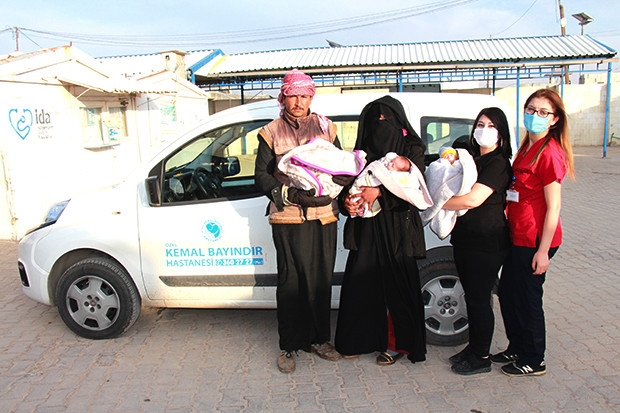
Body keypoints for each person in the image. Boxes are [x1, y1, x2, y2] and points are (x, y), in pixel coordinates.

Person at [254, 69, 343, 374]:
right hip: (288, 218)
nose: (299, 102)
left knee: (320, 280)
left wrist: (339, 183)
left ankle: (319, 340)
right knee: (290, 282)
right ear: (284, 96)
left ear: (311, 97)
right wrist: (291, 194)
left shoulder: (326, 128)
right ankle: (288, 345)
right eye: (293, 95)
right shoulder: (270, 132)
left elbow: (341, 164)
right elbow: (261, 177)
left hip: (323, 216)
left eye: (305, 96)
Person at [334, 95, 428, 365]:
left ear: (400, 123)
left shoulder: (411, 149)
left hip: (398, 226)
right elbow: (347, 185)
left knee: (397, 287)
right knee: (361, 284)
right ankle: (358, 340)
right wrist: (347, 204)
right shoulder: (361, 154)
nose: (381, 126)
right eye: (376, 121)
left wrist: (380, 193)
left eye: (387, 120)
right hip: (366, 228)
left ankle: (398, 344)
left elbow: (416, 187)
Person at [493, 88, 575, 377]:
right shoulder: (529, 145)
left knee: (528, 298)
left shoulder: (550, 153)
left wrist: (543, 251)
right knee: (508, 292)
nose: (535, 116)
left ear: (554, 119)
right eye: (531, 109)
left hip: (536, 239)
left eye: (543, 112)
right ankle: (517, 346)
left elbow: (554, 207)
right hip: (518, 235)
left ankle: (534, 358)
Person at [440, 107, 513, 375]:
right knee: (471, 297)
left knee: (480, 299)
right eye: (480, 124)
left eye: (491, 125)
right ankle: (474, 347)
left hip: (487, 242)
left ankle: (481, 355)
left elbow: (473, 200)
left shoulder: (498, 163)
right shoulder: (472, 160)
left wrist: (436, 204)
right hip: (467, 239)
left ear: (501, 133)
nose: (484, 129)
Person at [349, 152, 432, 218]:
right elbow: (350, 173)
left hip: (398, 224)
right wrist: (346, 199)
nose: (389, 164)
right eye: (391, 162)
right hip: (364, 227)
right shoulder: (367, 145)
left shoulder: (413, 150)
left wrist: (379, 192)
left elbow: (410, 190)